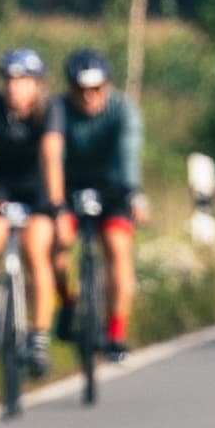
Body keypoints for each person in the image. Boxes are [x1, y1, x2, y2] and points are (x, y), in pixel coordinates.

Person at [0, 45, 66, 369]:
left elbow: (51, 157)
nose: (13, 87)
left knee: (36, 251)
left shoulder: (50, 110)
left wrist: (57, 204)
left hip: (37, 189)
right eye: (8, 80)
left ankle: (38, 338)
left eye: (22, 81)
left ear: (36, 83)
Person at [56, 48, 146, 354]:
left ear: (107, 86)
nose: (89, 97)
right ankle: (65, 302)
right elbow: (51, 155)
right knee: (56, 241)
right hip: (67, 189)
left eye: (96, 89)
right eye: (81, 90)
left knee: (118, 249)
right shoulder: (58, 110)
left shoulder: (123, 109)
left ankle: (115, 332)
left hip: (113, 188)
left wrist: (132, 192)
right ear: (70, 89)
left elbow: (129, 152)